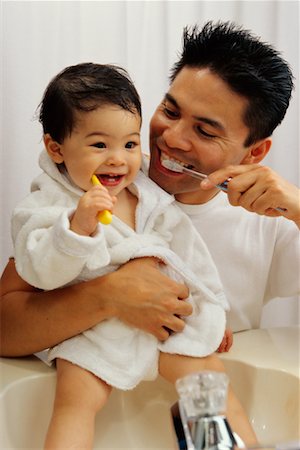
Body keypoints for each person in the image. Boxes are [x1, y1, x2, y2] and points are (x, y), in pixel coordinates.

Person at [0, 16, 299, 422]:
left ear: (254, 153)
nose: (172, 138)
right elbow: (5, 326)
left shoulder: (272, 224)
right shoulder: (97, 184)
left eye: (206, 131)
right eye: (170, 110)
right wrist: (109, 296)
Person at [9, 62, 257, 448]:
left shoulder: (147, 191)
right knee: (75, 403)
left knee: (210, 381)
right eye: (98, 145)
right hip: (93, 332)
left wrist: (210, 306)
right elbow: (39, 268)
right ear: (56, 148)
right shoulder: (50, 204)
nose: (118, 159)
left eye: (129, 143)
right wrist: (76, 229)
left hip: (165, 324)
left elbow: (187, 255)